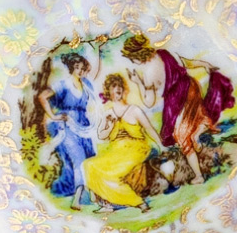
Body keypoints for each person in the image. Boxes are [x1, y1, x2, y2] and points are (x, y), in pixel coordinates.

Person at [120, 34, 233, 184]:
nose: (132, 62)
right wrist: (204, 64)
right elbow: (187, 63)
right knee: (196, 117)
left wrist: (138, 82)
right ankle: (198, 135)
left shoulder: (148, 73)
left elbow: (148, 102)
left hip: (177, 100)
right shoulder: (164, 53)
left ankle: (198, 176)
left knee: (182, 137)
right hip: (191, 88)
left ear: (136, 56)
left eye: (131, 58)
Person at [82, 74, 157, 213]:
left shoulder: (134, 110)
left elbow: (149, 129)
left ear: (123, 90)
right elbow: (101, 135)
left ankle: (139, 203)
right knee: (89, 165)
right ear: (108, 92)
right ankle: (107, 204)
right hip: (116, 151)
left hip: (136, 149)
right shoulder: (108, 113)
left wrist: (161, 144)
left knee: (112, 174)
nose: (117, 89)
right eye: (113, 87)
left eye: (119, 87)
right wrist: (110, 127)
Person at [37, 49, 96, 208]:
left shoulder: (86, 84)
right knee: (79, 159)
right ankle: (77, 199)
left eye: (82, 68)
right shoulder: (63, 84)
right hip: (67, 127)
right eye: (77, 67)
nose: (80, 71)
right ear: (71, 68)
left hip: (83, 126)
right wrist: (53, 116)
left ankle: (93, 195)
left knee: (90, 158)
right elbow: (42, 97)